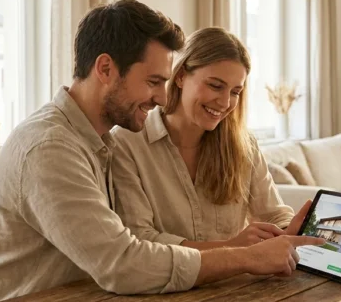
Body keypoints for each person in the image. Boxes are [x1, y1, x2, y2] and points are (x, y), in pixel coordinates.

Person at [0, 0, 324, 302]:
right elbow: (123, 262)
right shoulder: (51, 147)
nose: (163, 98)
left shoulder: (97, 143)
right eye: (153, 82)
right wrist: (245, 256)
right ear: (105, 69)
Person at [111, 27, 300, 251]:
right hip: (166, 285)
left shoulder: (244, 145)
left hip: (240, 283)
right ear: (180, 76)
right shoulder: (127, 142)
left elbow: (273, 215)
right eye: (215, 86)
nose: (224, 102)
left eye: (235, 92)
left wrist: (291, 230)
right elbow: (140, 238)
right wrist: (230, 249)